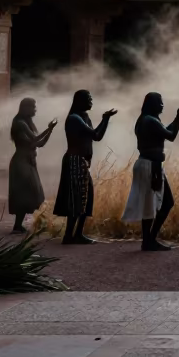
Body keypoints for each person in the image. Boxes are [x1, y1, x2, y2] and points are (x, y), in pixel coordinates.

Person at [122, 92, 179, 251]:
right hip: (150, 166)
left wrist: (177, 117)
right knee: (162, 203)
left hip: (149, 165)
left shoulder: (146, 119)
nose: (162, 105)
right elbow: (171, 135)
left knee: (152, 204)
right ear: (152, 104)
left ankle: (149, 240)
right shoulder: (150, 120)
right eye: (160, 102)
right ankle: (149, 240)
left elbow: (164, 132)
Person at [54, 89, 117, 244]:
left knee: (86, 197)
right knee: (76, 198)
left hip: (81, 162)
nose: (91, 101)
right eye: (88, 98)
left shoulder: (83, 117)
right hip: (75, 161)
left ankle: (77, 234)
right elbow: (95, 135)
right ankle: (69, 236)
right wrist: (105, 119)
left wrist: (105, 119)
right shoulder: (74, 118)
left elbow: (97, 136)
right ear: (80, 101)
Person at [8, 98, 56, 233]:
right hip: (21, 164)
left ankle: (22, 225)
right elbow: (35, 140)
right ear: (25, 108)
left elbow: (40, 144)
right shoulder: (20, 123)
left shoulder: (26, 123)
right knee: (26, 193)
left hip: (28, 163)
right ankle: (23, 225)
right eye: (33, 107)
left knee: (33, 193)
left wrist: (50, 130)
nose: (35, 110)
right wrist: (49, 128)